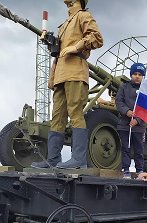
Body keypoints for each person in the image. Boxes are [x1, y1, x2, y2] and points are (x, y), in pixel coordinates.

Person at [31, 0, 103, 169]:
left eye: (71, 3)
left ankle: (78, 159)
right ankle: (53, 159)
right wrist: (51, 43)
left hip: (76, 71)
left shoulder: (83, 16)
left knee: (75, 113)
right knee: (57, 118)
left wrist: (75, 47)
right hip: (60, 75)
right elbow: (58, 53)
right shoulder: (63, 26)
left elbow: (97, 38)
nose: (68, 5)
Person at [115, 63, 146, 179]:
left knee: (139, 150)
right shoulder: (124, 87)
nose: (137, 76)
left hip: (139, 126)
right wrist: (127, 111)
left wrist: (138, 120)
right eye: (135, 74)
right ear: (131, 75)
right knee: (125, 148)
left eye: (140, 74)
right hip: (124, 124)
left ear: (143, 76)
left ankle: (139, 171)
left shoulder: (146, 90)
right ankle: (126, 170)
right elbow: (119, 102)